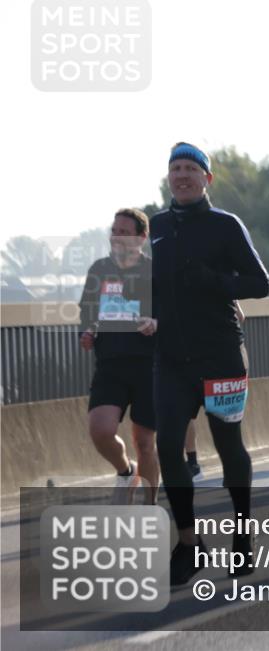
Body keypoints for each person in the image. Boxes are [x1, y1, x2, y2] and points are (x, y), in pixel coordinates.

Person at [151, 142, 269, 584]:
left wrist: (215, 282)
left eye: (190, 168)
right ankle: (188, 543)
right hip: (171, 359)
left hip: (220, 355)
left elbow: (261, 283)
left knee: (229, 448)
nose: (182, 175)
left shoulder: (225, 225)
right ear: (169, 177)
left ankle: (242, 536)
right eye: (175, 168)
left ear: (207, 179)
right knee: (168, 448)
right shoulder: (155, 228)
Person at [78, 208, 159, 505]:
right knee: (101, 430)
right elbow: (87, 310)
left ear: (142, 237)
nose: (117, 237)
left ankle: (150, 506)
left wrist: (156, 323)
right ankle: (126, 471)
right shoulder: (99, 270)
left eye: (124, 232)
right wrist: (86, 332)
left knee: (145, 443)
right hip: (110, 364)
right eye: (114, 231)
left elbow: (172, 313)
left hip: (148, 365)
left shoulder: (154, 271)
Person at [185, 300, 245, 479]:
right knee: (185, 413)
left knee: (214, 417)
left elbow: (240, 316)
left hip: (216, 358)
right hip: (200, 356)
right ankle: (195, 464)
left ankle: (196, 463)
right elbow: (241, 316)